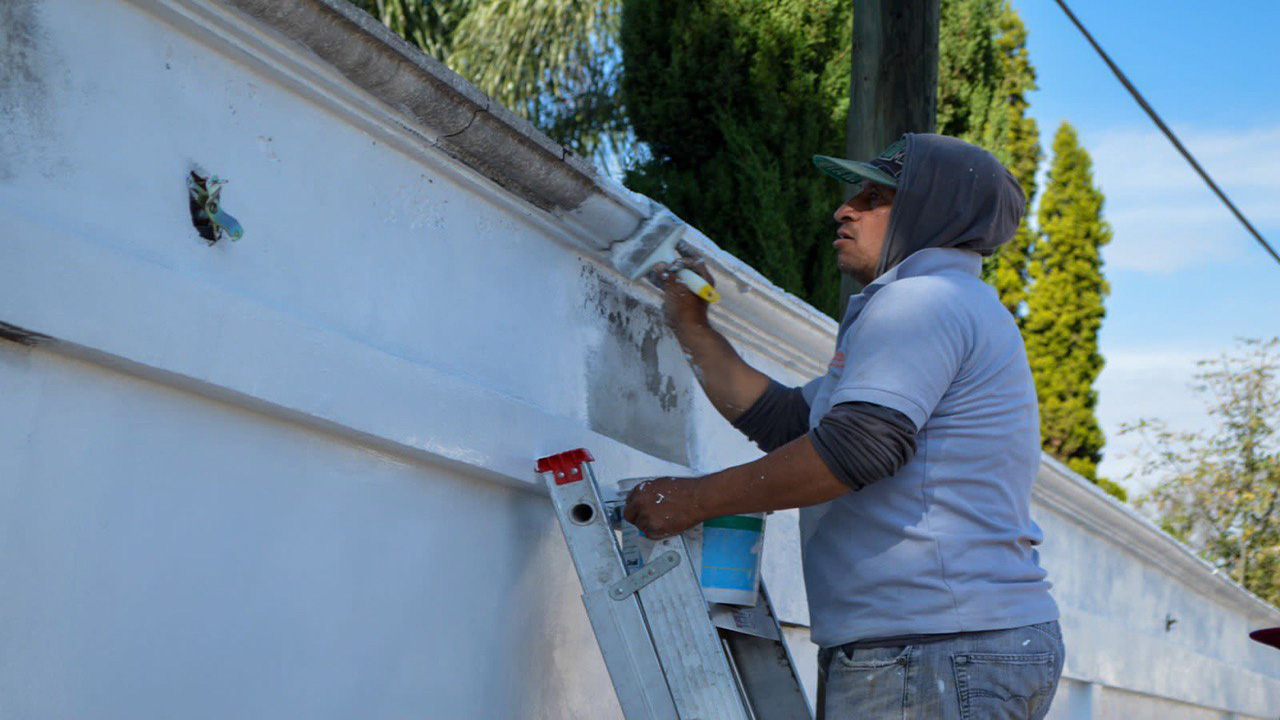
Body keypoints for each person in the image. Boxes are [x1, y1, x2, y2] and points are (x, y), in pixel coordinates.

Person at [623, 133, 1065, 719]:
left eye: (874, 197)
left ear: (931, 212)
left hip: (933, 648)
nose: (844, 209)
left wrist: (695, 500)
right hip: (951, 645)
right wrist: (691, 325)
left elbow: (853, 452)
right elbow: (788, 424)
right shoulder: (948, 303)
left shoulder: (922, 303)